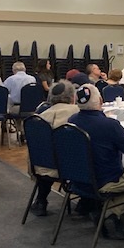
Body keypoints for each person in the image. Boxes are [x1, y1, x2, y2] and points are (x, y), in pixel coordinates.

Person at [68, 83, 124, 240]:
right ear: (101, 101)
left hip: (77, 179)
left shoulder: (71, 121)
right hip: (106, 180)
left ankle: (106, 210)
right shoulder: (110, 125)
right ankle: (110, 211)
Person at [29, 80, 79, 216]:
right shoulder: (79, 114)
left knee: (49, 155)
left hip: (42, 167)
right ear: (72, 97)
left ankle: (41, 200)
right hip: (76, 169)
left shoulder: (39, 118)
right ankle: (87, 202)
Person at [3, 62, 37, 139]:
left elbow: (4, 92)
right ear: (25, 69)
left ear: (14, 70)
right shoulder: (32, 79)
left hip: (17, 107)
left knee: (14, 110)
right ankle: (25, 131)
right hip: (32, 108)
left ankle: (20, 131)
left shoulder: (10, 79)